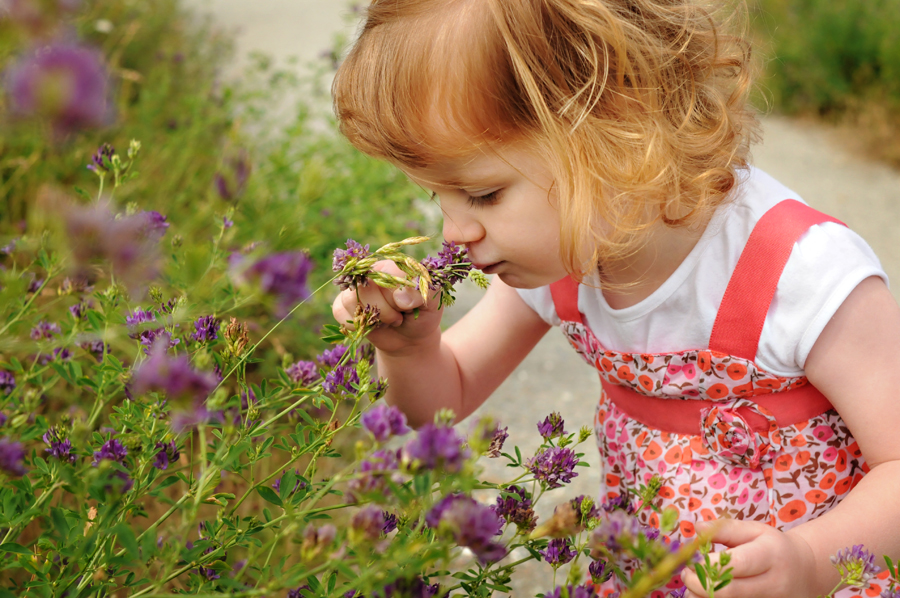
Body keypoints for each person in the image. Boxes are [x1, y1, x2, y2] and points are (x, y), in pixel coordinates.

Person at [329, 1, 900, 596]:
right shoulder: (567, 257)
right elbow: (444, 397)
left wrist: (809, 562)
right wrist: (409, 350)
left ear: (615, 127)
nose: (454, 233)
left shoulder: (798, 271)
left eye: (484, 194)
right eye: (437, 197)